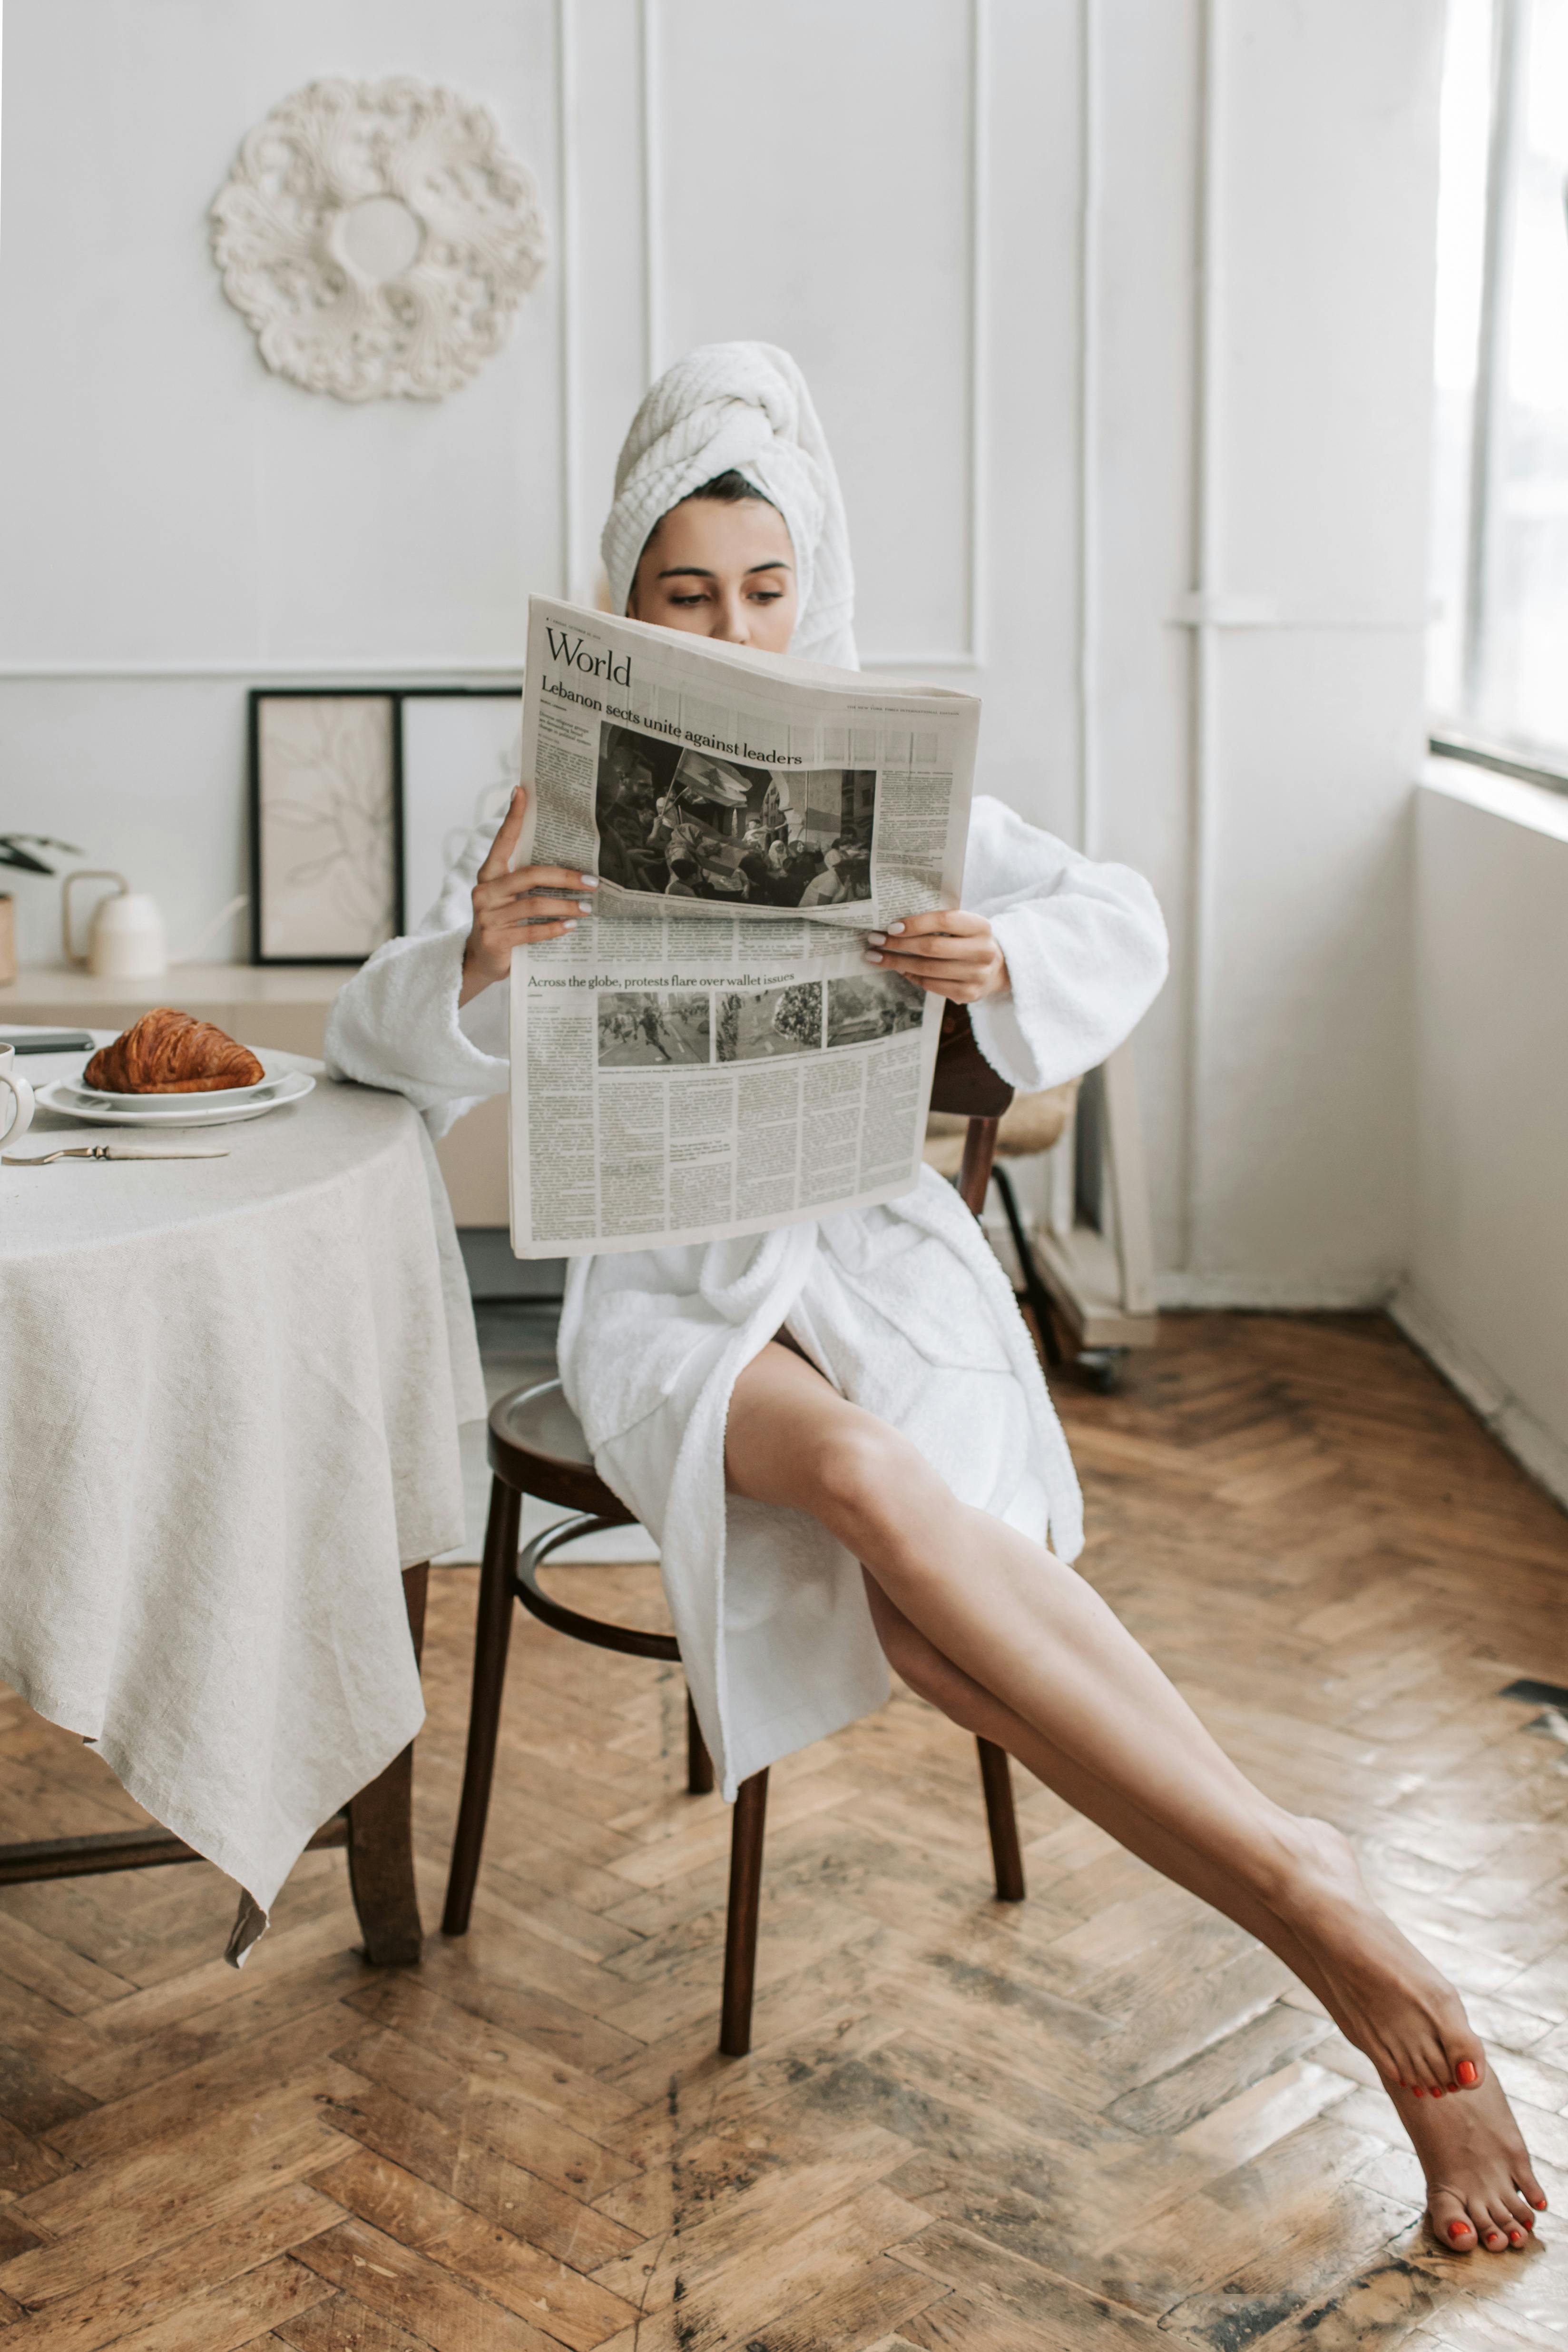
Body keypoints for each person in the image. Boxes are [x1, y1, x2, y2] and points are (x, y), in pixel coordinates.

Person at [327, 340, 1545, 2258]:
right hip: (671, 1305)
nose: (730, 622)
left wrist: (994, 951)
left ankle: (1326, 1926)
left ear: (805, 579)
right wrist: (471, 961)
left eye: (761, 585)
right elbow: (381, 1034)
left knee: (935, 1633)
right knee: (890, 1505)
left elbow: (1114, 920)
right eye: (681, 592)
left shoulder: (883, 778)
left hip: (878, 1257)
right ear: (624, 602)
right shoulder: (541, 793)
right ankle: (1320, 1903)